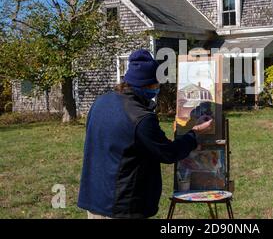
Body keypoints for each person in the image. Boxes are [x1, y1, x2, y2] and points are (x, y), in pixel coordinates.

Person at [77, 49, 213, 219]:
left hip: (95, 199)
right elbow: (168, 153)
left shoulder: (100, 103)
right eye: (156, 85)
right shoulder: (141, 118)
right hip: (122, 207)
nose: (157, 89)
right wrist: (195, 132)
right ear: (146, 85)